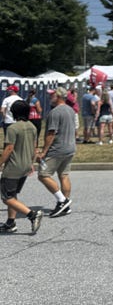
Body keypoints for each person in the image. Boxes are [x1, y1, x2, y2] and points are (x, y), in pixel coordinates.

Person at [0, 100, 43, 234]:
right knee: (13, 195)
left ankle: (32, 215)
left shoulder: (13, 128)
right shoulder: (32, 127)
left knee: (6, 197)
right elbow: (34, 147)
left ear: (14, 113)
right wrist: (31, 163)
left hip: (13, 167)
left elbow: (9, 148)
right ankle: (10, 222)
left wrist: (0, 163)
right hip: (25, 166)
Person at [37, 87, 77, 218]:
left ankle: (62, 201)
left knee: (43, 175)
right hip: (70, 147)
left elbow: (51, 133)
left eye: (52, 95)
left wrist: (43, 151)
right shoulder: (71, 110)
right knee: (64, 175)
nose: (50, 97)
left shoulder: (55, 112)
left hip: (57, 149)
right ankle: (65, 206)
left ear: (58, 96)